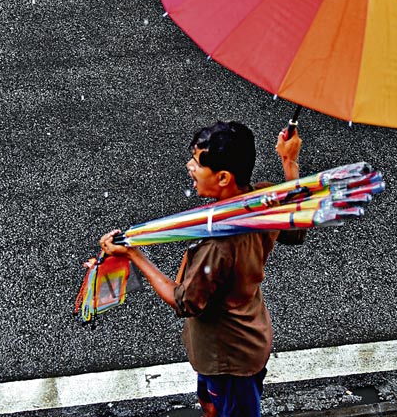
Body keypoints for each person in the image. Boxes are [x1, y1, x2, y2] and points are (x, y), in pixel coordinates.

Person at [99, 120, 305, 417]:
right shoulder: (262, 201)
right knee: (210, 405)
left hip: (228, 358)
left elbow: (185, 301)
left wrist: (134, 255)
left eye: (196, 162)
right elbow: (295, 230)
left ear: (223, 177)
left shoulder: (219, 246)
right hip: (245, 336)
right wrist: (289, 161)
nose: (189, 167)